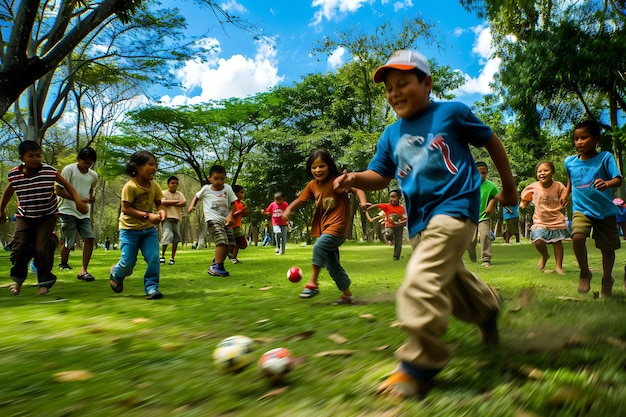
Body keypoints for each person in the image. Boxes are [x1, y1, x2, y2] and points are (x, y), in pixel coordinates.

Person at [333, 49, 517, 399]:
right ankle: (486, 308)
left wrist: (508, 187)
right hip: (419, 221)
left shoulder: (451, 112)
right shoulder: (390, 134)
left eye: (403, 84)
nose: (395, 93)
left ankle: (419, 365)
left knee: (420, 280)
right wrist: (356, 177)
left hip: (455, 208)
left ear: (427, 83)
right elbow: (380, 174)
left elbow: (490, 139)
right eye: (388, 89)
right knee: (450, 280)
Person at [0, 140, 88, 296]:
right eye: (31, 156)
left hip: (47, 216)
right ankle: (18, 281)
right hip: (25, 217)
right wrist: (1, 210)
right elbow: (8, 192)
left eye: (38, 155)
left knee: (42, 249)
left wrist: (78, 201)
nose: (35, 159)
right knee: (19, 249)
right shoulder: (14, 174)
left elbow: (67, 185)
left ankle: (44, 283)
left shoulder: (49, 171)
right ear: (22, 157)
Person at [282, 149, 367, 304]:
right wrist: (288, 209)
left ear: (329, 166)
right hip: (324, 228)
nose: (318, 170)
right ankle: (347, 295)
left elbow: (357, 189)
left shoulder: (337, 181)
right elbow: (299, 200)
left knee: (318, 247)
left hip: (338, 227)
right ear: (310, 169)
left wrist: (363, 202)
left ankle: (313, 284)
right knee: (332, 265)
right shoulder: (312, 185)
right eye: (314, 167)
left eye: (322, 166)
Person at [565, 120, 622, 298]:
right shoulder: (570, 162)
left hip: (604, 211)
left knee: (607, 249)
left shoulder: (605, 158)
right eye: (576, 139)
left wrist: (607, 183)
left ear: (596, 138)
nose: (579, 142)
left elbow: (619, 179)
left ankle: (607, 278)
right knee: (577, 236)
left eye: (584, 137)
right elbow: (570, 179)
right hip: (581, 209)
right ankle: (585, 272)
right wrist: (565, 193)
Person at [109, 150, 166, 300]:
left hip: (148, 231)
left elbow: (159, 204)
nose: (154, 168)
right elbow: (125, 209)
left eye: (156, 165)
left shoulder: (155, 186)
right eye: (150, 164)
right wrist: (148, 215)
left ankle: (152, 287)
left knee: (154, 257)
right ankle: (116, 274)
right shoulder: (130, 187)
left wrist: (161, 212)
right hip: (129, 230)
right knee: (127, 263)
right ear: (138, 167)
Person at [56, 146, 98, 281]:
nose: (87, 165)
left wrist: (90, 199)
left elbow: (90, 190)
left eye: (90, 163)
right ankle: (63, 262)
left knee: (89, 238)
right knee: (70, 241)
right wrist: (78, 200)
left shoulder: (93, 175)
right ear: (78, 159)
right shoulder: (69, 170)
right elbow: (59, 190)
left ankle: (83, 270)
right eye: (85, 162)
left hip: (84, 212)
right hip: (67, 209)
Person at [520, 161, 570, 275]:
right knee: (537, 241)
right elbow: (525, 197)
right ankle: (545, 255)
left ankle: (558, 267)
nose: (542, 173)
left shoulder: (558, 186)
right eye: (539, 171)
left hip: (556, 219)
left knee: (557, 243)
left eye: (546, 170)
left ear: (552, 172)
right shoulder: (534, 186)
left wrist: (564, 200)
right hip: (540, 220)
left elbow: (565, 195)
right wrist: (523, 204)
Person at [187, 165, 236, 277]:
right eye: (216, 178)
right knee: (222, 241)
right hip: (212, 219)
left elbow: (234, 204)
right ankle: (216, 266)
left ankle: (218, 263)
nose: (219, 181)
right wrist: (192, 206)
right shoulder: (206, 189)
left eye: (222, 179)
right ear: (210, 179)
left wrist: (230, 216)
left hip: (225, 220)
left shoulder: (227, 188)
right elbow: (196, 196)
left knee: (231, 245)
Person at [467, 161, 499, 267]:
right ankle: (472, 254)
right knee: (471, 240)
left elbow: (496, 196)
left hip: (483, 216)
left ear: (487, 173)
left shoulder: (491, 186)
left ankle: (486, 259)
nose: (481, 175)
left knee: (485, 235)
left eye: (484, 173)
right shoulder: (467, 185)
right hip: (470, 217)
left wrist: (490, 206)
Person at [366, 189, 407, 260]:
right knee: (388, 234)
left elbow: (404, 217)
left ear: (399, 198)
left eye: (394, 197)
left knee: (399, 243)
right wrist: (367, 208)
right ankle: (390, 238)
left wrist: (401, 222)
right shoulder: (386, 206)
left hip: (399, 227)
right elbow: (377, 206)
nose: (392, 199)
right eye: (390, 197)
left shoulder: (401, 208)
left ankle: (396, 257)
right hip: (389, 226)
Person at [160, 175, 186, 265]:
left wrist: (170, 203)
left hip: (176, 219)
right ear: (168, 184)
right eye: (172, 183)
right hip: (167, 218)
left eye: (176, 183)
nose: (174, 185)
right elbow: (163, 202)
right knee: (166, 236)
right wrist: (176, 202)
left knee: (176, 239)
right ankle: (162, 256)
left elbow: (184, 203)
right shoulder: (163, 193)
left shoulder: (180, 194)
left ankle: (172, 258)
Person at [228, 184, 250, 264]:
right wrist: (241, 211)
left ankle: (231, 256)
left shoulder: (240, 203)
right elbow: (232, 214)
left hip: (237, 226)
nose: (242, 195)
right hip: (231, 226)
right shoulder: (232, 203)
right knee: (237, 243)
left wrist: (245, 213)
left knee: (243, 244)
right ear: (234, 193)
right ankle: (233, 258)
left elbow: (241, 215)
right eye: (241, 192)